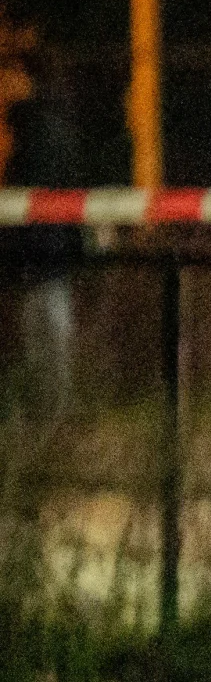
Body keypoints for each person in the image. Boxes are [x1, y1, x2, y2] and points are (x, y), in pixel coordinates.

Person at [0, 31, 84, 417]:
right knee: (44, 336)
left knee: (46, 336)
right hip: (40, 255)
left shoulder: (39, 126)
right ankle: (50, 413)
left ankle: (53, 413)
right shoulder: (39, 122)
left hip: (42, 254)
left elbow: (41, 186)